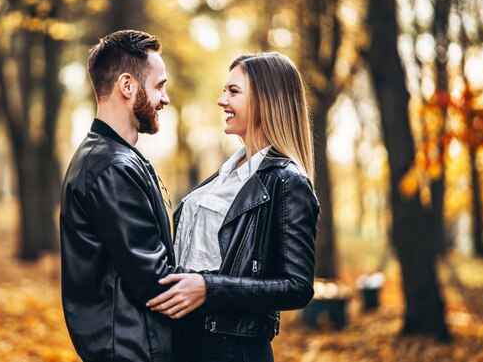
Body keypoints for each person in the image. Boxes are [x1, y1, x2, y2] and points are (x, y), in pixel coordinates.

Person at [146, 52, 320, 362]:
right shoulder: (228, 173)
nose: (221, 100)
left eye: (233, 91)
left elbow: (297, 286)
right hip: (187, 342)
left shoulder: (287, 181)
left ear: (266, 100)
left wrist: (209, 288)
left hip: (230, 350)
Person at [60, 30, 182, 362]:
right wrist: (228, 289)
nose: (165, 98)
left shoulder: (112, 158)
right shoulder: (111, 167)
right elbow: (156, 282)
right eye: (159, 86)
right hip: (134, 351)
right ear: (127, 85)